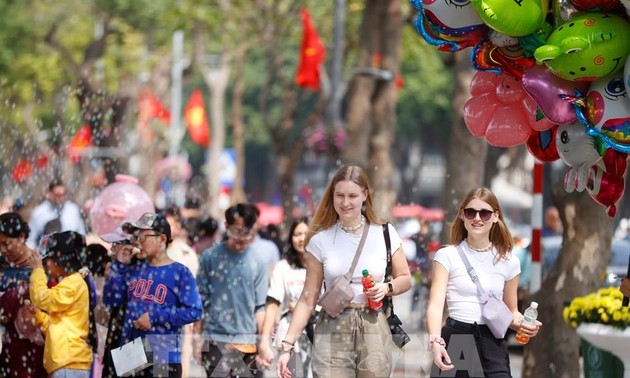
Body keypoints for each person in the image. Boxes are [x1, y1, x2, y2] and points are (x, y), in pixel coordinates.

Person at [276, 164, 412, 378]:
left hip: (373, 323)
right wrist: (287, 345)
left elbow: (405, 278)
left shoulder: (385, 233)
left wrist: (385, 288)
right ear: (332, 196)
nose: (345, 202)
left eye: (352, 195)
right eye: (339, 195)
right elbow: (308, 297)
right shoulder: (320, 240)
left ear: (365, 195)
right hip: (332, 324)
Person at [426, 187, 542, 377]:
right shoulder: (447, 255)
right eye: (471, 212)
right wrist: (435, 340)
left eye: (485, 213)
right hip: (457, 338)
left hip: (492, 341)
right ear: (463, 216)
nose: (477, 218)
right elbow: (435, 306)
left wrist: (525, 324)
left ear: (496, 216)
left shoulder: (509, 261)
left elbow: (511, 311)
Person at [103, 213, 203, 377]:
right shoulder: (133, 269)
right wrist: (119, 265)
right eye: (135, 237)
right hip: (131, 356)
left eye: (142, 237)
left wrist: (155, 317)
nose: (137, 242)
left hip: (161, 358)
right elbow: (111, 299)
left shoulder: (179, 272)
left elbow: (195, 311)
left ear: (162, 239)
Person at [195, 203, 269, 378]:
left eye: (246, 232)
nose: (241, 237)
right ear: (226, 227)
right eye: (236, 231)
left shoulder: (257, 261)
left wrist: (262, 342)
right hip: (216, 340)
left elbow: (260, 306)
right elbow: (200, 301)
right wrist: (198, 340)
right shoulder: (210, 257)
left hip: (248, 342)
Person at [26, 231, 96, 378]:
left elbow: (42, 299)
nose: (45, 267)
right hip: (66, 362)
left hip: (69, 362)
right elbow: (57, 324)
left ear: (60, 259)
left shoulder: (74, 283)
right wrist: (37, 315)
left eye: (46, 262)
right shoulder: (69, 283)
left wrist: (37, 270)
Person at [257, 217, 317, 376]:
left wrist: (306, 307)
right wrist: (264, 340)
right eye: (297, 234)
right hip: (290, 334)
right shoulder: (283, 268)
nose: (302, 238)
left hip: (319, 332)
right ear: (290, 238)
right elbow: (272, 304)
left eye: (306, 233)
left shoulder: (323, 266)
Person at [0, 212, 46, 378]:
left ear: (21, 237)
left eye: (7, 244)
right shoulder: (2, 264)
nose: (3, 250)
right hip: (4, 348)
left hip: (29, 350)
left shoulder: (39, 267)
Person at [27, 179, 86, 249]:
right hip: (47, 253)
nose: (60, 198)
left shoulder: (73, 210)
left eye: (63, 195)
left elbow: (81, 232)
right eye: (57, 195)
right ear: (49, 193)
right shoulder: (39, 212)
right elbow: (31, 238)